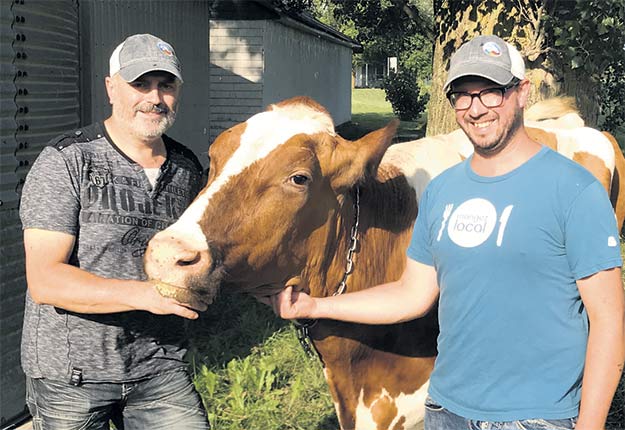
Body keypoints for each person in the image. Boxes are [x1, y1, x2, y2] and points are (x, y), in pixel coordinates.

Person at [271, 34, 625, 429]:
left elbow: (609, 323)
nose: (476, 109)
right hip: (445, 410)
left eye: (491, 92)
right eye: (463, 95)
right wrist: (315, 306)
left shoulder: (575, 190)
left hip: (536, 417)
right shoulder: (443, 190)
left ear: (522, 93)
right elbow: (413, 293)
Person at [20, 34, 210, 429]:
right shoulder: (68, 161)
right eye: (140, 83)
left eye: (166, 85)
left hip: (159, 366)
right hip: (70, 376)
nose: (154, 98)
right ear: (111, 87)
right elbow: (44, 279)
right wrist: (147, 296)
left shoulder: (187, 169)